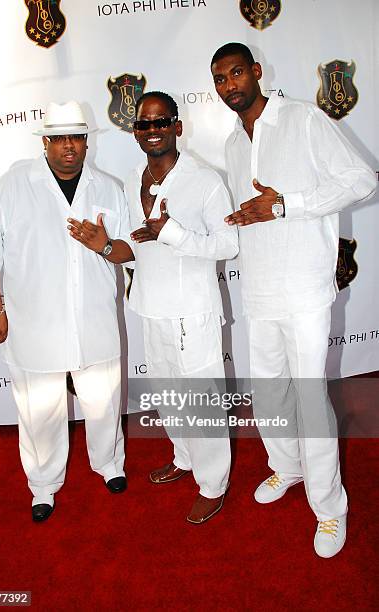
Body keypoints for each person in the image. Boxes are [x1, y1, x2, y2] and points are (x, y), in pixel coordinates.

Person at [211, 43, 376, 556]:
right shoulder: (232, 144)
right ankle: (287, 467)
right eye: (219, 78)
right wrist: (246, 217)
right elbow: (257, 210)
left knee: (308, 396)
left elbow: (362, 180)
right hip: (259, 289)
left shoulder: (303, 119)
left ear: (258, 72)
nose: (228, 85)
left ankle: (329, 510)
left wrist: (288, 205)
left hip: (305, 287)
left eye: (236, 73)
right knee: (269, 394)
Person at [69, 91, 239, 523]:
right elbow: (133, 248)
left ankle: (213, 483)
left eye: (161, 122)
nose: (152, 131)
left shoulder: (205, 179)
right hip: (149, 307)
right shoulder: (131, 181)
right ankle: (183, 458)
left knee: (202, 402)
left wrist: (174, 234)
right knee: (170, 398)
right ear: (134, 132)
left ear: (177, 127)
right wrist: (103, 245)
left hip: (192, 313)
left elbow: (228, 244)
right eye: (143, 124)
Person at [0, 101, 133, 522]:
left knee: (104, 402)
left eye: (76, 138)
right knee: (39, 412)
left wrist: (104, 245)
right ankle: (43, 485)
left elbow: (131, 249)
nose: (68, 148)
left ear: (86, 141)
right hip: (34, 325)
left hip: (93, 319)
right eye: (58, 139)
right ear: (45, 142)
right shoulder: (12, 186)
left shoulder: (108, 187)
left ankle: (109, 464)